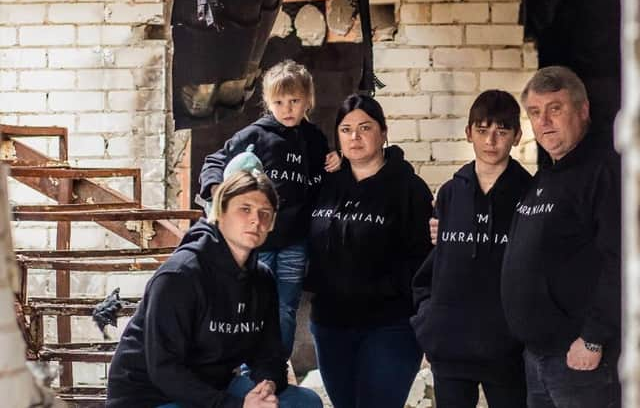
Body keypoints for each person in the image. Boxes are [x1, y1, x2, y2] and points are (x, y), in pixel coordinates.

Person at [106, 171, 323, 408]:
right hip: (151, 396)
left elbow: (268, 355)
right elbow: (164, 369)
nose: (255, 220)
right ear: (220, 212)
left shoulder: (262, 279)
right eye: (245, 209)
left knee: (304, 402)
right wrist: (235, 406)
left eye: (265, 214)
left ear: (271, 224)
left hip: (215, 386)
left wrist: (267, 385)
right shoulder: (180, 276)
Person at [199, 60, 340, 358]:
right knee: (250, 304)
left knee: (285, 307)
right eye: (278, 102)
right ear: (267, 101)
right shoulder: (255, 135)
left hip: (294, 242)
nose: (287, 108)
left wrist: (336, 163)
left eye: (294, 101)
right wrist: (216, 189)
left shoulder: (314, 140)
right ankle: (249, 369)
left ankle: (275, 368)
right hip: (256, 240)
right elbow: (215, 161)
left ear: (308, 101)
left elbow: (326, 182)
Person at [501, 66, 621, 408]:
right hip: (538, 357)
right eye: (535, 113)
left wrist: (594, 339)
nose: (545, 121)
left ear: (583, 111)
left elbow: (621, 259)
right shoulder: (546, 177)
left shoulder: (603, 173)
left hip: (580, 358)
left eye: (556, 109)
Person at [305, 94, 433, 408]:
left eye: (365, 127)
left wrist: (385, 289)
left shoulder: (409, 189)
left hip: (389, 325)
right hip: (330, 324)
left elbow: (424, 260)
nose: (355, 137)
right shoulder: (325, 185)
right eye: (346, 130)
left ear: (383, 132)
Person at [411, 90, 531, 408]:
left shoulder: (530, 194)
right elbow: (436, 265)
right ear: (468, 133)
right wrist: (429, 320)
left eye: (501, 131)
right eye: (482, 130)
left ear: (516, 136)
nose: (491, 140)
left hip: (507, 350)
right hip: (450, 347)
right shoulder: (450, 192)